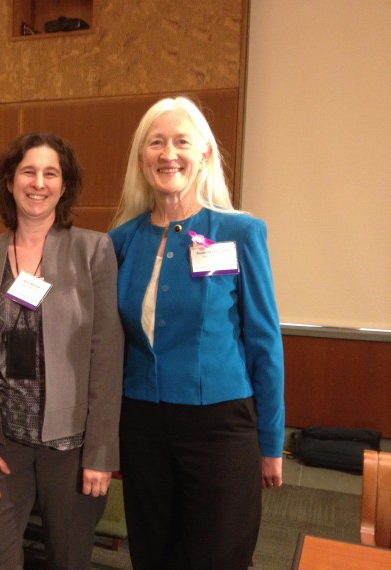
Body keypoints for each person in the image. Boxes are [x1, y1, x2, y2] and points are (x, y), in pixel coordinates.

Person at [109, 96, 285, 569]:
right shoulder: (120, 242)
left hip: (220, 428)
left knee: (217, 556)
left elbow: (264, 342)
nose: (169, 154)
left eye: (182, 142)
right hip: (143, 423)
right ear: (142, 157)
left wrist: (271, 443)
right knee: (152, 553)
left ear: (204, 153)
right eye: (157, 142)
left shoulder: (239, 233)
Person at [0, 132, 124, 568]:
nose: (38, 182)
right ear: (10, 182)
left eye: (50, 172)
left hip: (71, 448)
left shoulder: (94, 251)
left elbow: (107, 356)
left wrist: (101, 454)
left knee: (68, 560)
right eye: (28, 171)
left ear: (64, 185)